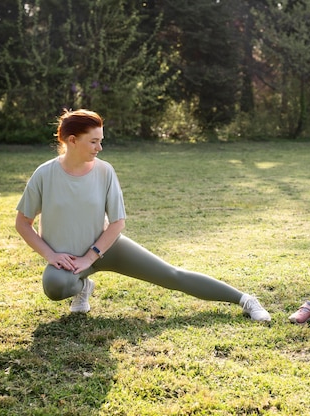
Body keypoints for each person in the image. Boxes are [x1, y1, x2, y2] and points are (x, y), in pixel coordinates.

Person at [15, 109, 270, 321]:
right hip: (68, 261)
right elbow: (23, 223)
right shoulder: (45, 174)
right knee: (55, 286)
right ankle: (83, 288)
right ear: (72, 140)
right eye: (93, 141)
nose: (99, 147)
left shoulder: (105, 172)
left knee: (172, 275)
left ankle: (245, 300)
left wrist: (90, 256)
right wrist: (52, 255)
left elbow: (117, 223)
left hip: (106, 247)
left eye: (101, 140)